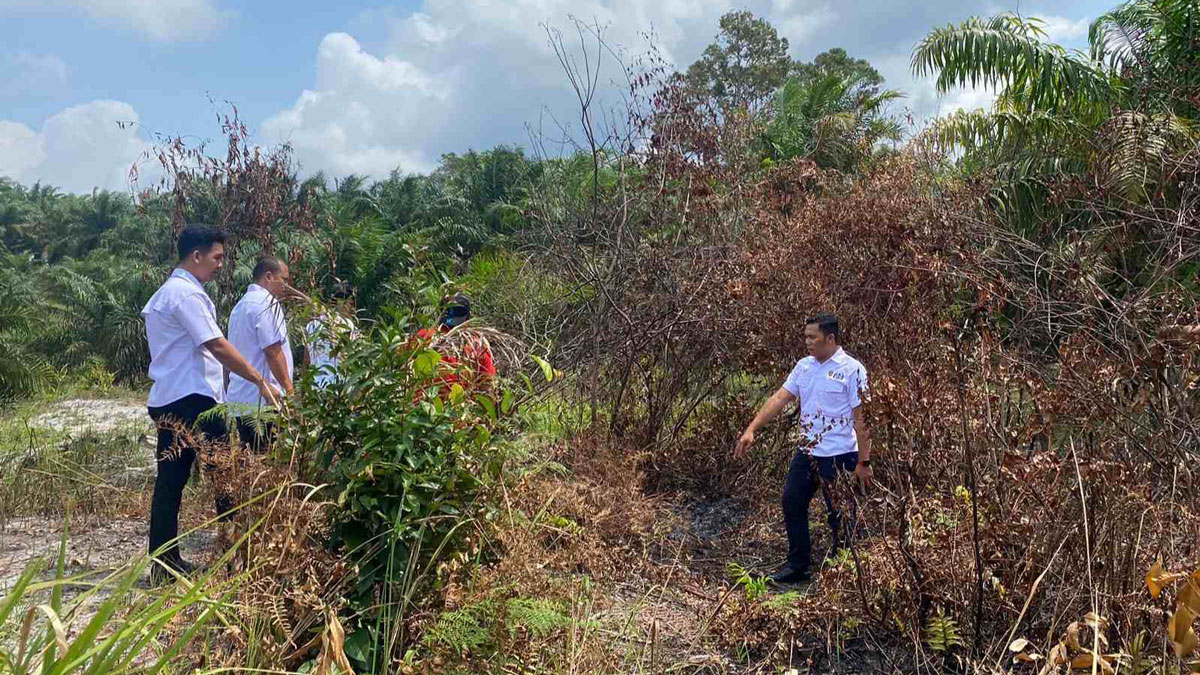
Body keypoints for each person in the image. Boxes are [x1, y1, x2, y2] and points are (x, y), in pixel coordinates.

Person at [141, 224, 279, 582]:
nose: (221, 265)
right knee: (224, 479)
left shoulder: (163, 294)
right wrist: (260, 380)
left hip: (170, 398)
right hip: (195, 401)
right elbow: (216, 345)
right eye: (217, 258)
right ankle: (234, 557)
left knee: (170, 483)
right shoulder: (186, 296)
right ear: (197, 256)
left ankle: (163, 565)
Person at [733, 313, 872, 584]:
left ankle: (842, 572)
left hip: (840, 454)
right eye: (805, 336)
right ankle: (798, 565)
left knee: (840, 514)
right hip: (808, 452)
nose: (807, 342)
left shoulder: (852, 369)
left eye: (813, 337)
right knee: (792, 501)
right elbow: (780, 398)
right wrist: (752, 428)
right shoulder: (804, 366)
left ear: (830, 338)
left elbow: (861, 417)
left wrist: (863, 462)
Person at [226, 256, 295, 454]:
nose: (287, 286)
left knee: (252, 460)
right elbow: (272, 351)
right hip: (265, 401)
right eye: (285, 279)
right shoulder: (266, 303)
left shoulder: (240, 306)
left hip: (242, 398)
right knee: (269, 461)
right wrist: (290, 392)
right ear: (269, 277)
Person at [417, 293, 497, 389]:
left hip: (421, 400)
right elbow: (487, 384)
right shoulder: (476, 344)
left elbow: (401, 364)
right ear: (467, 318)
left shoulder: (424, 336)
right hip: (457, 402)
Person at [304, 281, 357, 389]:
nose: (352, 309)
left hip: (317, 387)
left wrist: (303, 388)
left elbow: (306, 360)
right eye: (351, 304)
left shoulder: (311, 326)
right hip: (340, 387)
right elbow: (349, 358)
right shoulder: (347, 325)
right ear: (340, 302)